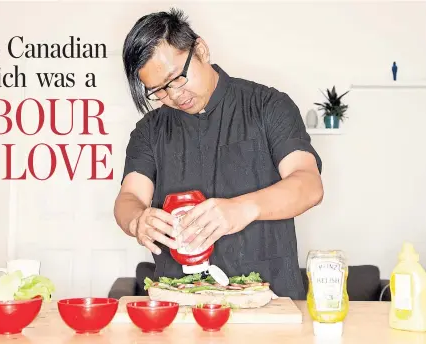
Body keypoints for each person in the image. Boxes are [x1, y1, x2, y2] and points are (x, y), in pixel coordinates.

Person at [114, 8, 323, 300]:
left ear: (200, 50)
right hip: (180, 300)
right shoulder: (150, 130)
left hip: (269, 300)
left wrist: (243, 208)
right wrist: (137, 220)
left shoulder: (268, 105)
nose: (174, 95)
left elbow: (309, 184)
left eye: (176, 78)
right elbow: (129, 198)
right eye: (158, 90)